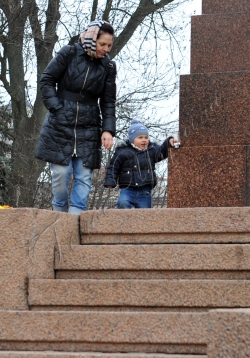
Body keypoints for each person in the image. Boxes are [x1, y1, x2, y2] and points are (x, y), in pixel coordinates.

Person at [35, 20, 116, 214]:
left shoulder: (108, 67)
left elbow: (108, 102)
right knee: (61, 174)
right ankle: (59, 214)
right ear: (91, 39)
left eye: (109, 45)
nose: (106, 49)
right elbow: (47, 80)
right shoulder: (68, 53)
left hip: (89, 126)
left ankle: (77, 217)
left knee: (84, 177)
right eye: (102, 44)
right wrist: (57, 108)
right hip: (60, 124)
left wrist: (108, 130)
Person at [104, 119, 179, 209]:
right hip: (128, 189)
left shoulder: (151, 150)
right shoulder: (122, 151)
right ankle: (122, 221)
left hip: (145, 190)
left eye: (146, 137)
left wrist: (168, 142)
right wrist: (110, 181)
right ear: (132, 139)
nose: (144, 140)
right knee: (123, 203)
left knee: (145, 212)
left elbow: (161, 151)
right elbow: (113, 167)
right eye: (140, 137)